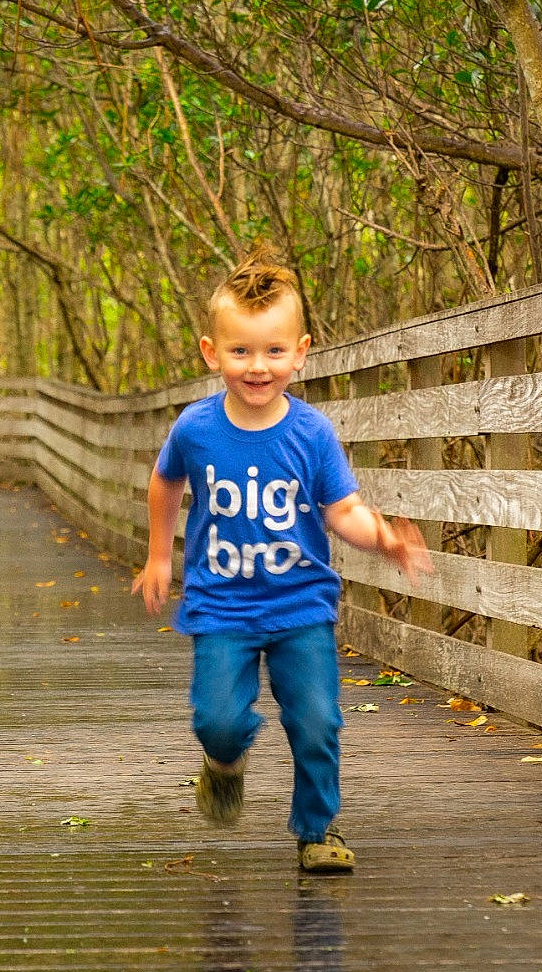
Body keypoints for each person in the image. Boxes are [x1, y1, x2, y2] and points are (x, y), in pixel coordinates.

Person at [131, 244, 432, 873]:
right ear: (212, 353)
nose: (257, 367)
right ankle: (224, 762)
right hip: (222, 605)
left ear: (300, 351)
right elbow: (165, 483)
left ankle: (317, 829)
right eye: (240, 351)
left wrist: (384, 536)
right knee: (217, 720)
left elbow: (341, 509)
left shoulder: (312, 434)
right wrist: (161, 557)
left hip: (300, 603)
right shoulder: (196, 428)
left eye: (273, 351)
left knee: (318, 721)